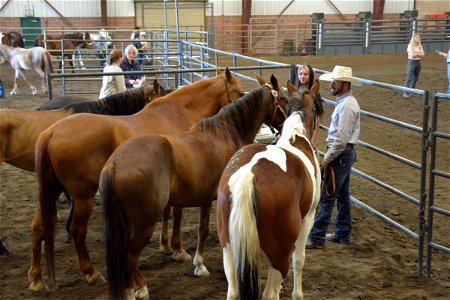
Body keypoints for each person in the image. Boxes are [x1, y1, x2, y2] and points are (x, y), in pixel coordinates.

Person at [306, 65, 361, 249]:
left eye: (335, 82)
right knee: (343, 195)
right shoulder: (346, 103)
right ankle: (342, 233)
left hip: (339, 155)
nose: (332, 84)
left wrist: (327, 159)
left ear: (345, 85)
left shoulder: (346, 106)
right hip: (344, 154)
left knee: (328, 196)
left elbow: (341, 139)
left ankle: (317, 237)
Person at [295, 64, 324, 148]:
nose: (302, 76)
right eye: (300, 74)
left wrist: (314, 139)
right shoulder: (296, 91)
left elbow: (317, 118)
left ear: (310, 76)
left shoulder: (314, 94)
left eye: (305, 74)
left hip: (308, 131)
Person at [403, 33, 425, 98]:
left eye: (419, 37)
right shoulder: (410, 45)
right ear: (414, 38)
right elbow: (412, 55)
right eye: (417, 37)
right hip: (412, 62)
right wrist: (419, 53)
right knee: (409, 77)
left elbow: (423, 54)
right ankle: (405, 92)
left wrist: (416, 54)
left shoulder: (420, 45)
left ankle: (412, 90)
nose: (418, 38)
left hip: (418, 62)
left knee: (415, 77)